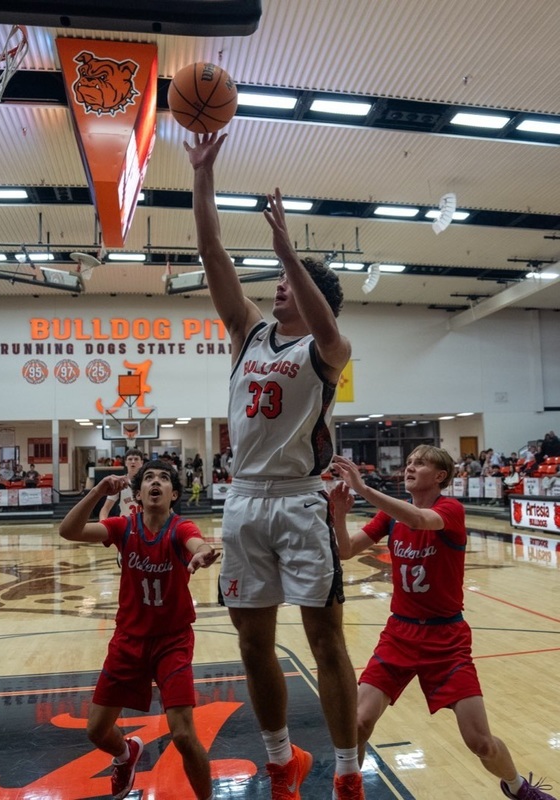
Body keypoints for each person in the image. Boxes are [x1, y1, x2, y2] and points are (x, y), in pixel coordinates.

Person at [185, 131, 363, 800]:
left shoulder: (331, 348)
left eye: (289, 282)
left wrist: (289, 245)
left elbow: (324, 324)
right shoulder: (249, 332)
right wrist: (203, 177)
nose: (278, 287)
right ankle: (280, 760)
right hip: (243, 501)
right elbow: (211, 252)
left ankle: (347, 771)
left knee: (324, 638)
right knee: (254, 641)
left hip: (298, 498)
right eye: (279, 281)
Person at [330, 446, 557, 800]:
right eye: (408, 463)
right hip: (400, 633)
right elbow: (345, 551)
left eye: (419, 463)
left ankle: (518, 787)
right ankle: (347, 792)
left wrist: (362, 489)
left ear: (440, 477)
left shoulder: (449, 509)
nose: (409, 468)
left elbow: (419, 520)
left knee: (480, 742)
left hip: (446, 638)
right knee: (357, 723)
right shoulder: (389, 518)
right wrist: (340, 517)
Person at [58, 459, 219, 800]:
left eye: (163, 478)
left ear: (174, 494)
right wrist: (99, 490)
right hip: (129, 639)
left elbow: (196, 542)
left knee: (184, 736)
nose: (155, 482)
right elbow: (68, 531)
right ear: (139, 493)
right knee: (97, 731)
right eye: (148, 478)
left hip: (171, 641)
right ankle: (125, 754)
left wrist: (203, 552)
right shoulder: (123, 527)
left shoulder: (180, 528)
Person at [98, 448, 144, 521]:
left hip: (145, 527)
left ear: (142, 462)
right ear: (125, 462)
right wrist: (102, 523)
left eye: (136, 459)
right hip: (127, 527)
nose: (133, 462)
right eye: (130, 459)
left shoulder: (148, 483)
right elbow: (105, 509)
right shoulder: (119, 483)